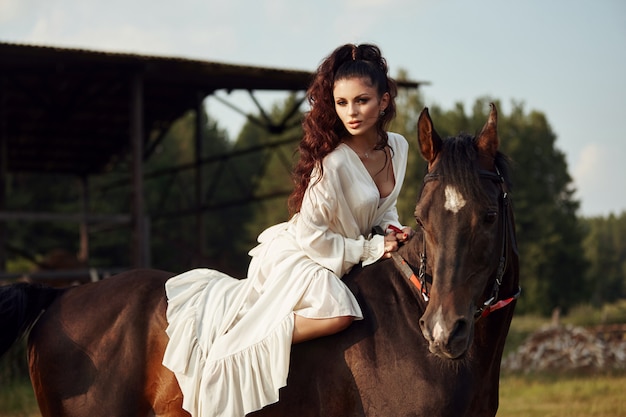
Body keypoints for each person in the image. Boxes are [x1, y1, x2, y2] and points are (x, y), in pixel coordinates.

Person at [162, 43, 414, 417]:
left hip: (351, 248)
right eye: (342, 103)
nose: (351, 112)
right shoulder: (333, 164)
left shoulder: (399, 146)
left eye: (361, 100)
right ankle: (250, 346)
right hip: (308, 254)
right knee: (341, 312)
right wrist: (369, 250)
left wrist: (393, 230)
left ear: (384, 100)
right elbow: (313, 236)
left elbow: (386, 205)